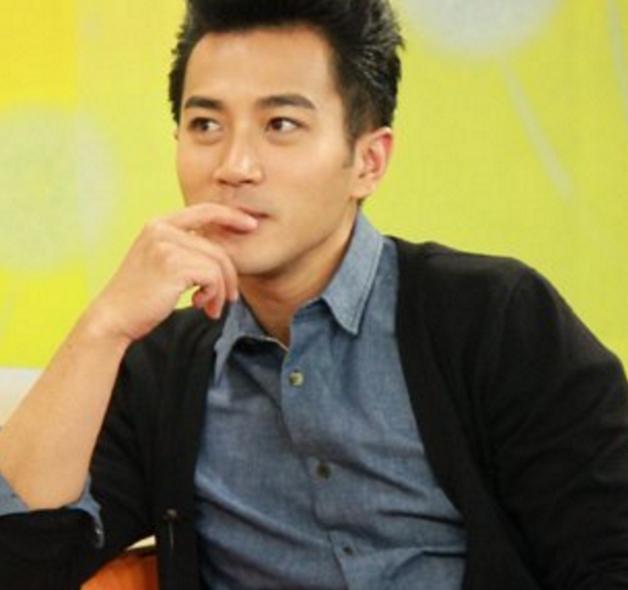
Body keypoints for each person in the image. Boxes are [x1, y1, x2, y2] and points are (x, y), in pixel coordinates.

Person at [1, 0, 627, 588]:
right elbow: (20, 561)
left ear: (368, 161)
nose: (234, 165)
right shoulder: (161, 371)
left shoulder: (495, 321)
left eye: (281, 124)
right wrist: (105, 326)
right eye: (205, 124)